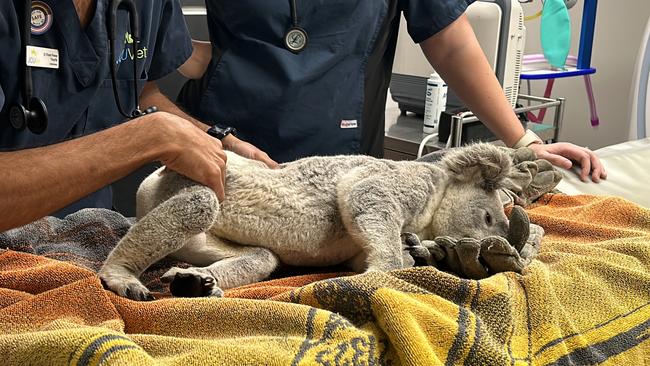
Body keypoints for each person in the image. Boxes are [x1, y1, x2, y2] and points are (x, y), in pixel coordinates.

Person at [178, 0, 607, 181]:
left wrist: (522, 140)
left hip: (340, 164)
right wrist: (185, 54)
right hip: (218, 150)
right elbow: (147, 27)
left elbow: (450, 40)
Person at [0, 0, 274, 232]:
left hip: (92, 230)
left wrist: (220, 143)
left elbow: (141, 93)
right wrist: (150, 136)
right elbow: (151, 132)